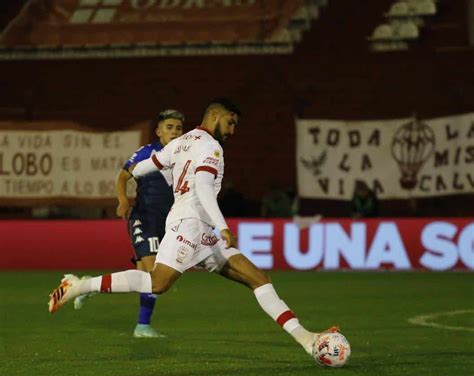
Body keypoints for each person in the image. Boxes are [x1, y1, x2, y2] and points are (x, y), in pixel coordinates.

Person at [48, 98, 339, 360]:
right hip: (190, 223)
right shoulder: (211, 147)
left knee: (258, 278)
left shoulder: (180, 142)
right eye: (230, 122)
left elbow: (140, 169)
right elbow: (202, 187)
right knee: (157, 284)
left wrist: (148, 176)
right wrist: (223, 226)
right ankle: (80, 286)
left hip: (199, 228)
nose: (232, 130)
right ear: (214, 116)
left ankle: (307, 339)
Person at [74, 109, 185, 338]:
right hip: (144, 218)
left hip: (167, 223)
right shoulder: (147, 152)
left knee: (146, 279)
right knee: (154, 273)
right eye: (169, 127)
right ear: (159, 131)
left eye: (178, 128)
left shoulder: (183, 156)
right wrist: (123, 200)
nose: (174, 132)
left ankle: (92, 287)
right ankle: (141, 325)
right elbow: (123, 175)